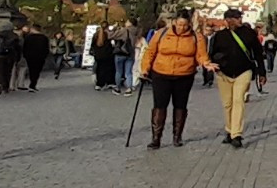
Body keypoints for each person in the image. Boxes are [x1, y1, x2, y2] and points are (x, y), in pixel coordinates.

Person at [138, 9, 213, 149]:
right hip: (161, 73)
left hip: (184, 75)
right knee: (159, 106)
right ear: (174, 22)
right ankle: (156, 138)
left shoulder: (196, 37)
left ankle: (177, 136)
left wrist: (206, 63)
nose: (181, 28)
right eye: (179, 25)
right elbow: (150, 52)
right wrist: (145, 69)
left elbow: (201, 55)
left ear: (189, 24)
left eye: (184, 25)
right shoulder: (161, 34)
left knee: (180, 106)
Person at [206, 8, 263, 147]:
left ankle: (236, 134)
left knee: (239, 101)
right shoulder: (219, 36)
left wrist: (262, 73)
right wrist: (213, 64)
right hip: (223, 73)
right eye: (237, 18)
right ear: (228, 20)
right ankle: (229, 129)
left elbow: (258, 53)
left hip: (244, 71)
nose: (240, 20)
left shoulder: (249, 33)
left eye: (240, 17)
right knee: (228, 104)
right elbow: (211, 54)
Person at [0, 25, 21, 95]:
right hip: (10, 56)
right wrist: (17, 57)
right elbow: (18, 48)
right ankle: (6, 87)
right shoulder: (14, 36)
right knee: (8, 72)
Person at [20, 23, 51, 92]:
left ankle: (32, 83)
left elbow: (25, 48)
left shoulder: (28, 37)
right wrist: (45, 55)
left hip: (30, 56)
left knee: (31, 70)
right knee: (37, 70)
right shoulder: (44, 38)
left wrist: (25, 55)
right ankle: (33, 84)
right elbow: (46, 48)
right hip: (40, 57)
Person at [113, 23, 139, 94]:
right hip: (130, 53)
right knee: (128, 72)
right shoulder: (136, 31)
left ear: (130, 23)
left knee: (118, 71)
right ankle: (129, 88)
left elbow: (112, 36)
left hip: (121, 53)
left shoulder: (124, 30)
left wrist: (114, 29)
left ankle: (118, 88)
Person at [90, 26, 116, 91]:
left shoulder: (95, 35)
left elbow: (92, 45)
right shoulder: (107, 35)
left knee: (99, 69)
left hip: (98, 56)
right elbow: (111, 46)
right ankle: (109, 82)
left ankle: (99, 84)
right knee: (109, 69)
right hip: (107, 55)